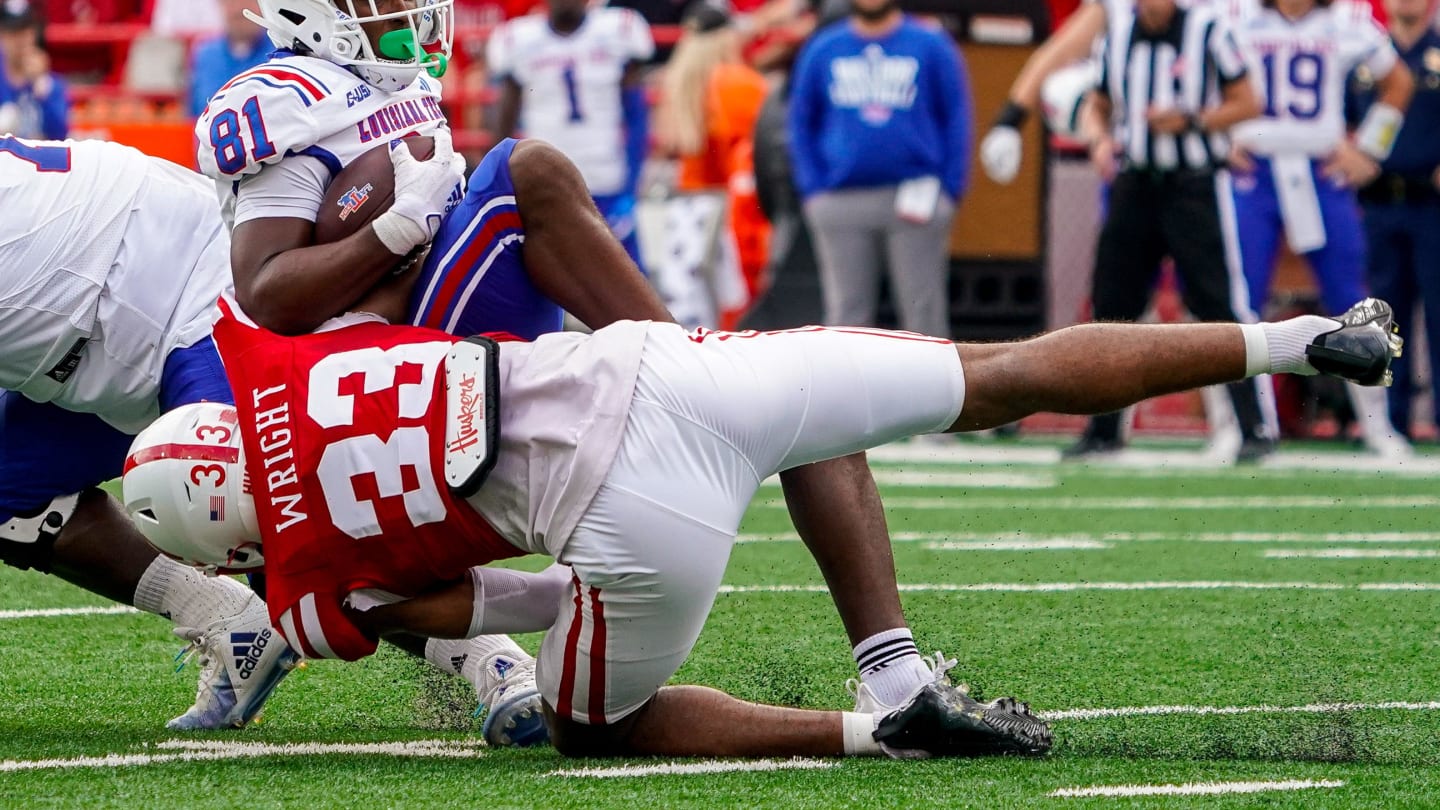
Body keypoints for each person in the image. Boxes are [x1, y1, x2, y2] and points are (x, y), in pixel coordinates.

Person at [207, 0, 1020, 740]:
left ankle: (895, 677)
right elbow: (270, 293)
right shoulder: (283, 98)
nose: (405, 9)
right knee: (529, 174)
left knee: (804, 398)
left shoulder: (381, 77)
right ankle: (695, 370)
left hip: (414, 367)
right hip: (380, 375)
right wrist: (392, 232)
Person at [124, 293, 1401, 757]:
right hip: (671, 369)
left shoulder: (300, 590)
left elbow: (500, 604)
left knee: (589, 726)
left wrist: (574, 600)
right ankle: (1296, 338)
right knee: (996, 373)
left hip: (631, 520)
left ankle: (875, 727)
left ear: (224, 543)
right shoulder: (282, 358)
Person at [0, 136, 296, 731]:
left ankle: (483, 657)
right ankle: (229, 621)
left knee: (267, 512)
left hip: (185, 286)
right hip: (87, 349)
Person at [1063, 0, 1275, 461]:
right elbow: (1098, 103)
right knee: (1111, 306)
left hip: (1192, 186)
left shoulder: (1209, 30)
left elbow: (1248, 102)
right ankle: (1103, 431)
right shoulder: (1118, 34)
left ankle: (1253, 428)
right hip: (1134, 183)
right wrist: (1099, 139)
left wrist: (1192, 119)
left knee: (1217, 305)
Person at [1230, 0, 1415, 457]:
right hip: (1255, 173)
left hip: (1320, 171)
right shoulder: (1235, 15)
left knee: (1352, 301)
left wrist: (1369, 149)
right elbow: (1197, 77)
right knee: (1237, 299)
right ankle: (1244, 426)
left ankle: (1377, 426)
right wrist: (1217, 140)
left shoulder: (1346, 20)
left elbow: (1399, 82)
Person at [787, 0, 970, 340]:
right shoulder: (824, 48)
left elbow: (956, 117)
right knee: (846, 317)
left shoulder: (931, 44)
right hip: (840, 199)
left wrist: (950, 189)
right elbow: (800, 121)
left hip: (916, 195)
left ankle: (928, 379)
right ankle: (845, 380)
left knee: (923, 313)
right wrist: (813, 190)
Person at [487, 0, 653, 271]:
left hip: (606, 179)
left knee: (630, 280)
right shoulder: (518, 39)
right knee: (552, 281)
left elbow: (638, 117)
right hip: (546, 184)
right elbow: (501, 128)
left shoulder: (618, 30)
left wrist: (630, 188)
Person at [1347, 0, 1440, 439]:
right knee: (1383, 316)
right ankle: (1387, 422)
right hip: (1378, 203)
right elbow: (1341, 118)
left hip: (1431, 204)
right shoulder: (1366, 58)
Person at [651, 1, 770, 329]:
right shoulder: (739, 83)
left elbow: (666, 144)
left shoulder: (676, 83)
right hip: (733, 207)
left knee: (693, 318)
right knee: (739, 312)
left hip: (688, 208)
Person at [187, 0, 270, 117]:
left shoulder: (280, 51)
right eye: (232, 2)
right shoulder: (205, 54)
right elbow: (194, 110)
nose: (239, 10)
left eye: (247, 2)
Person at [0, 1, 67, 140]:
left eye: (26, 32)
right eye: (13, 33)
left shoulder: (51, 83)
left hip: (37, 152)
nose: (20, 40)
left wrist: (41, 83)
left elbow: (60, 135)